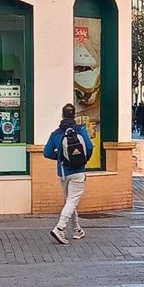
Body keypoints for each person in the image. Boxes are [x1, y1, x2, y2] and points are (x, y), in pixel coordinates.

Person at [43, 103, 94, 244]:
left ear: (62, 115)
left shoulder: (56, 134)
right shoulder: (81, 130)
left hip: (63, 172)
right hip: (78, 171)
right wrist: (84, 159)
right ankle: (59, 228)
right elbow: (89, 147)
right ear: (74, 115)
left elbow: (46, 153)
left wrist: (60, 157)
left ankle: (77, 229)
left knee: (70, 201)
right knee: (72, 201)